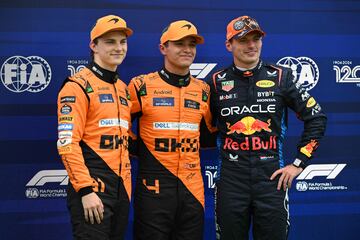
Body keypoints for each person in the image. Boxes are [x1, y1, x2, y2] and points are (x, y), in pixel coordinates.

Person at [209, 16, 327, 240]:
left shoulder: (282, 77)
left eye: (256, 39)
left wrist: (299, 163)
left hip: (272, 180)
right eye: (243, 40)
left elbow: (317, 118)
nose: (251, 45)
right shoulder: (215, 82)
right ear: (229, 45)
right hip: (231, 182)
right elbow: (202, 129)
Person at [128, 20, 216, 240]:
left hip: (192, 187)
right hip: (153, 186)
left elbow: (208, 137)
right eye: (179, 44)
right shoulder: (141, 86)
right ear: (163, 48)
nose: (187, 49)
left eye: (192, 44)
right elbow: (121, 130)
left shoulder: (204, 90)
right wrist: (146, 152)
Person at [57, 14, 133, 240]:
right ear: (93, 45)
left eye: (122, 42)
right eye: (110, 42)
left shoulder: (123, 88)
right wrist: (85, 190)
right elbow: (67, 142)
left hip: (121, 190)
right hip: (92, 189)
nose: (118, 48)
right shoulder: (76, 86)